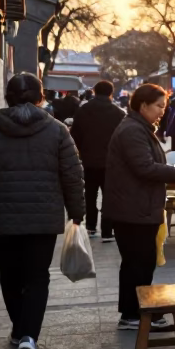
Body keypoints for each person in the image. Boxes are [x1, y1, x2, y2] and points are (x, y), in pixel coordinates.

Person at [0, 73, 85, 349]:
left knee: (11, 274)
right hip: (42, 217)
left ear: (8, 97)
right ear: (41, 97)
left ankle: (19, 330)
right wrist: (77, 212)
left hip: (1, 218)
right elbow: (73, 175)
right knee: (37, 276)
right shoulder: (56, 131)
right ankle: (29, 335)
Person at [105, 83, 175, 330]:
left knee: (140, 262)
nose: (162, 111)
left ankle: (137, 311)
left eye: (164, 106)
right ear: (143, 105)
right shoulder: (133, 130)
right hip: (132, 209)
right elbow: (144, 167)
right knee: (138, 263)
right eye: (158, 106)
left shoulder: (140, 127)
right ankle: (134, 314)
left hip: (138, 206)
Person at [69, 79, 125, 243]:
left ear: (94, 91)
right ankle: (107, 231)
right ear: (111, 93)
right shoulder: (119, 113)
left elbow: (75, 136)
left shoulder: (83, 110)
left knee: (90, 194)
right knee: (109, 196)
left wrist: (81, 152)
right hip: (111, 163)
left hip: (89, 161)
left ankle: (91, 227)